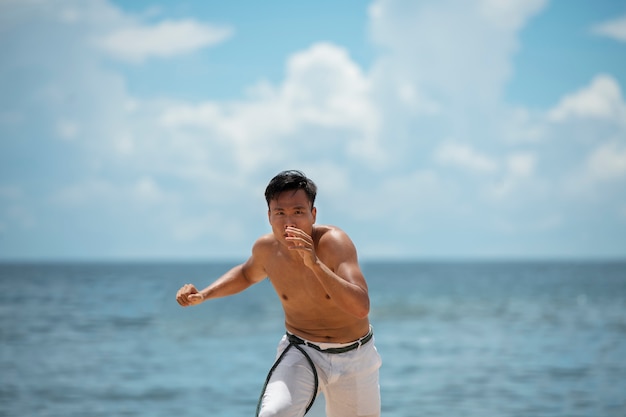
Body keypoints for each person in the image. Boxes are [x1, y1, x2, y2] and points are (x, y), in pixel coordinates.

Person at [176, 170, 381, 417]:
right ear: (269, 216)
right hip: (301, 350)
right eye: (280, 213)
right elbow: (245, 274)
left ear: (313, 214)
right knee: (274, 413)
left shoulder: (334, 243)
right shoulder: (266, 250)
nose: (289, 222)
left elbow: (361, 307)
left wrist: (314, 263)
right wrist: (204, 294)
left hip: (354, 355)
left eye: (298, 212)